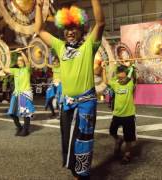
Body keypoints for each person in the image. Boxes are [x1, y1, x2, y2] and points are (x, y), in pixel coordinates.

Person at [35, 0, 105, 178]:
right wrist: (38, 7)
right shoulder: (60, 46)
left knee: (83, 141)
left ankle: (82, 174)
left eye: (74, 28)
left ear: (81, 29)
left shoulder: (89, 45)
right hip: (67, 104)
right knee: (68, 141)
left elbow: (101, 22)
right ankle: (76, 173)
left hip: (85, 105)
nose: (70, 31)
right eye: (67, 28)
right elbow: (39, 30)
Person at [102, 64, 136, 164]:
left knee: (128, 137)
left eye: (123, 77)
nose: (122, 79)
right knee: (112, 131)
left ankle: (127, 155)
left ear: (126, 75)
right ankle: (118, 140)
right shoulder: (115, 83)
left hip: (128, 114)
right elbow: (106, 81)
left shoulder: (130, 83)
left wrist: (131, 66)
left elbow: (131, 74)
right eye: (119, 77)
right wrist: (104, 69)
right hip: (117, 114)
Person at [2, 52, 35, 137]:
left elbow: (28, 63)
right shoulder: (15, 70)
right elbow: (5, 69)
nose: (19, 62)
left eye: (21, 60)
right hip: (16, 94)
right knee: (12, 113)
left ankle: (25, 130)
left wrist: (21, 52)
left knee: (25, 112)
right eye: (18, 60)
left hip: (24, 94)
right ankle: (20, 128)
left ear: (23, 61)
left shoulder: (27, 69)